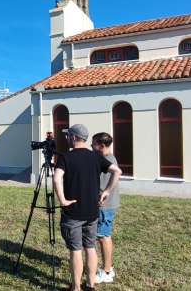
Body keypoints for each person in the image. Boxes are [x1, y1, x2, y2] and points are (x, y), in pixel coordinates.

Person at [53, 124, 122, 291]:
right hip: (92, 212)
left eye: (68, 135)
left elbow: (56, 179)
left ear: (74, 137)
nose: (67, 138)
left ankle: (76, 288)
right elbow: (117, 171)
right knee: (90, 247)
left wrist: (62, 200)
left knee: (75, 250)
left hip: (73, 213)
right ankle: (90, 285)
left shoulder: (65, 157)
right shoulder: (96, 157)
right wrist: (106, 192)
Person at [91, 132, 120, 284]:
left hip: (104, 206)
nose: (91, 146)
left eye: (93, 144)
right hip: (105, 205)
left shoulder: (107, 160)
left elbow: (114, 176)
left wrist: (106, 191)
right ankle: (108, 268)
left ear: (101, 146)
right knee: (103, 235)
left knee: (103, 237)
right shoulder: (108, 158)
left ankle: (107, 271)